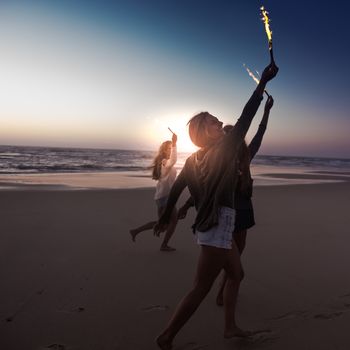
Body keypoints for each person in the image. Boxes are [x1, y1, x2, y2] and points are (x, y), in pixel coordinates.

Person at [153, 62, 278, 350]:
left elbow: (178, 188)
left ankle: (230, 327)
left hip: (211, 224)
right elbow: (246, 117)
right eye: (213, 121)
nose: (220, 122)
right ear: (203, 132)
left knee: (237, 274)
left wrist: (165, 219)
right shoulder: (222, 152)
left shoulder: (192, 159)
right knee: (201, 287)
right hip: (218, 226)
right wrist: (262, 84)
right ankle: (167, 336)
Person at [178, 96, 274, 306]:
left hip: (243, 211)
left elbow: (259, 133)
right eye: (228, 134)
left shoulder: (247, 156)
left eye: (233, 135)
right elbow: (204, 190)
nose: (231, 137)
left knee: (237, 255)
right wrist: (186, 205)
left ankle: (224, 290)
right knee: (226, 259)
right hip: (224, 212)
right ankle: (224, 290)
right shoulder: (219, 159)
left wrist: (266, 112)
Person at [129, 132, 178, 251]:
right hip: (166, 197)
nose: (171, 150)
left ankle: (136, 231)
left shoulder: (160, 162)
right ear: (165, 150)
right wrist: (175, 143)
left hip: (160, 197)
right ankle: (164, 245)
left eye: (171, 148)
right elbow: (173, 161)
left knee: (162, 223)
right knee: (173, 221)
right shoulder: (165, 162)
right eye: (169, 148)